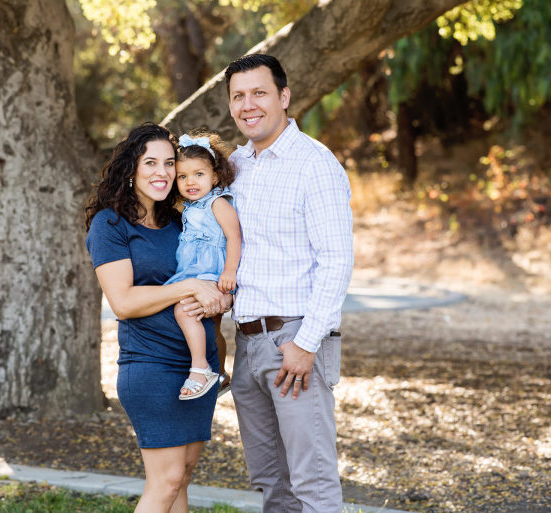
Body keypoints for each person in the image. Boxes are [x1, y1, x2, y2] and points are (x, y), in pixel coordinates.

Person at [225, 54, 354, 512]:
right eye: (238, 96)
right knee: (271, 482)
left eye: (259, 92)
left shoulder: (314, 163)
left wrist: (306, 342)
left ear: (283, 97)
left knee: (311, 482)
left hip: (293, 341)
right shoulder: (234, 167)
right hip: (247, 343)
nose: (248, 105)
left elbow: (336, 260)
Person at [84, 122, 230, 513]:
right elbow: (124, 302)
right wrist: (190, 288)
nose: (162, 173)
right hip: (151, 365)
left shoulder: (183, 220)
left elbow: (212, 277)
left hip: (199, 366)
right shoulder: (109, 225)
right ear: (131, 168)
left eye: (170, 163)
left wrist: (217, 299)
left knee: (182, 476)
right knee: (165, 481)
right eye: (150, 162)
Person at [163, 132, 241, 400]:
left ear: (215, 176)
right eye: (182, 177)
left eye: (198, 174)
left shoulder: (218, 203)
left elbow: (234, 236)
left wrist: (230, 271)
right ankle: (219, 374)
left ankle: (202, 368)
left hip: (212, 273)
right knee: (210, 326)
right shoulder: (189, 206)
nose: (190, 182)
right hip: (194, 273)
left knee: (185, 312)